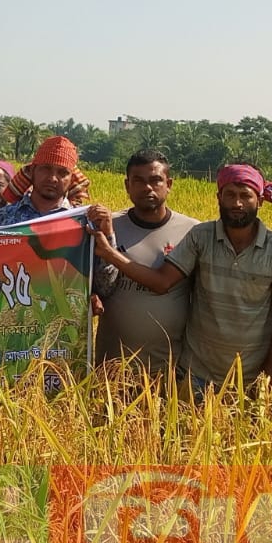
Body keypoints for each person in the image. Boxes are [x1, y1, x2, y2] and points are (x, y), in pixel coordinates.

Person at [93, 163, 272, 398]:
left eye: (245, 196)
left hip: (251, 377)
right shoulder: (200, 237)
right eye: (230, 194)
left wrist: (269, 375)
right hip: (196, 375)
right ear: (219, 197)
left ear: (259, 200)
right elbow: (163, 282)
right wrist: (108, 254)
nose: (237, 203)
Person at [88, 150, 199, 375]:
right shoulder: (107, 227)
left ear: (168, 184)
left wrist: (111, 254)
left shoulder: (192, 231)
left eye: (155, 180)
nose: (147, 187)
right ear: (127, 185)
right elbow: (86, 282)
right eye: (138, 181)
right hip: (111, 367)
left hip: (169, 367)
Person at [0, 137, 81, 227]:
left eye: (62, 172)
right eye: (46, 169)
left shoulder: (82, 221)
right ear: (32, 171)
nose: (53, 178)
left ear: (72, 179)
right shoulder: (1, 219)